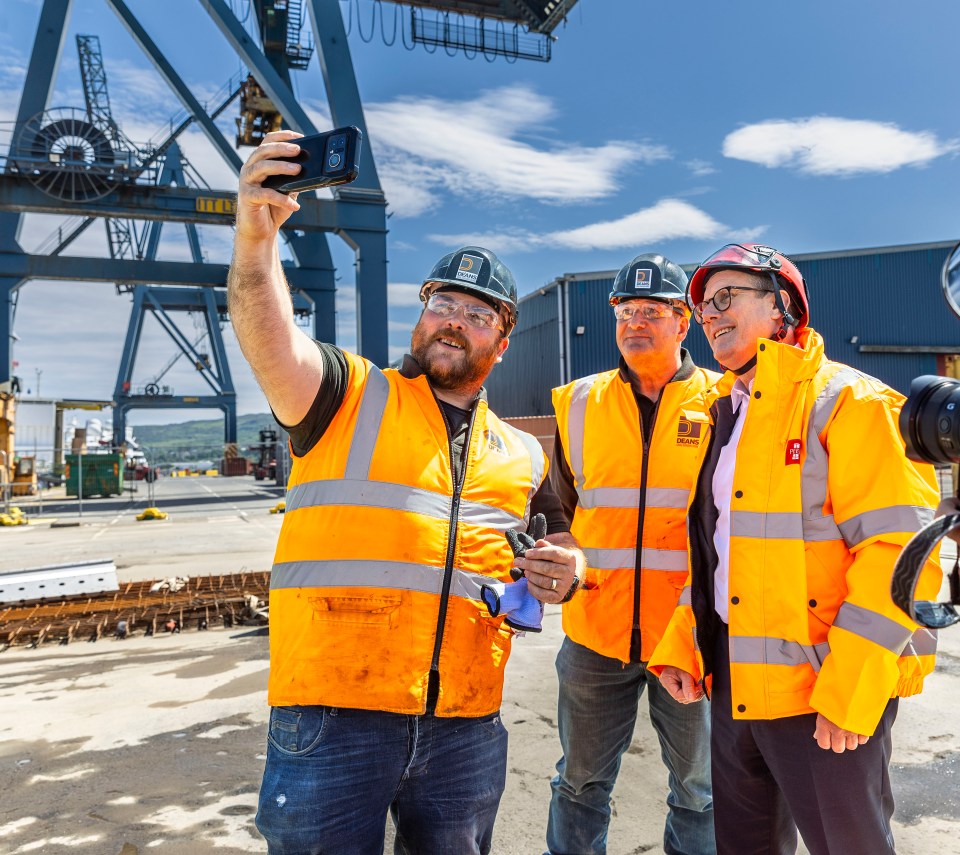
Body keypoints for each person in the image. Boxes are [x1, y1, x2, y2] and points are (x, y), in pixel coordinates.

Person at [228, 129, 581, 855]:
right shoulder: (346, 394)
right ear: (421, 316)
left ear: (503, 342)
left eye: (479, 313)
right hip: (334, 712)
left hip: (465, 720)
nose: (456, 318)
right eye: (443, 301)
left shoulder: (520, 450)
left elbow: (562, 538)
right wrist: (255, 239)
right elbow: (270, 339)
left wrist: (571, 571)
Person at [648, 243, 942, 855]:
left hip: (822, 693)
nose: (708, 314)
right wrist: (686, 640)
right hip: (733, 688)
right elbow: (716, 553)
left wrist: (851, 691)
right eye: (703, 305)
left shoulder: (852, 403)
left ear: (783, 306)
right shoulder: (724, 415)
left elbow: (900, 559)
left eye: (727, 297)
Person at [546, 254, 719, 855]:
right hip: (596, 634)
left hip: (692, 635)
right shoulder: (578, 405)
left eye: (654, 311)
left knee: (701, 788)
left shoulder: (726, 403)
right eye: (626, 310)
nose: (636, 322)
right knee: (580, 782)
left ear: (683, 323)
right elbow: (562, 508)